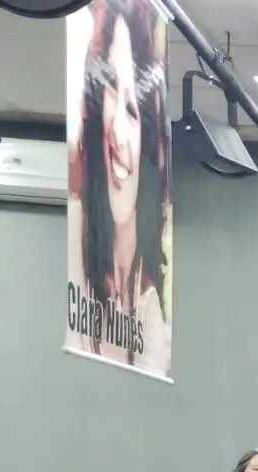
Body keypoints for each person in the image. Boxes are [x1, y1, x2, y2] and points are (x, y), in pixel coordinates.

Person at [69, 0, 170, 377]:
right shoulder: (78, 240)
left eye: (132, 110)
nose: (118, 133)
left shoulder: (149, 307)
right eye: (110, 87)